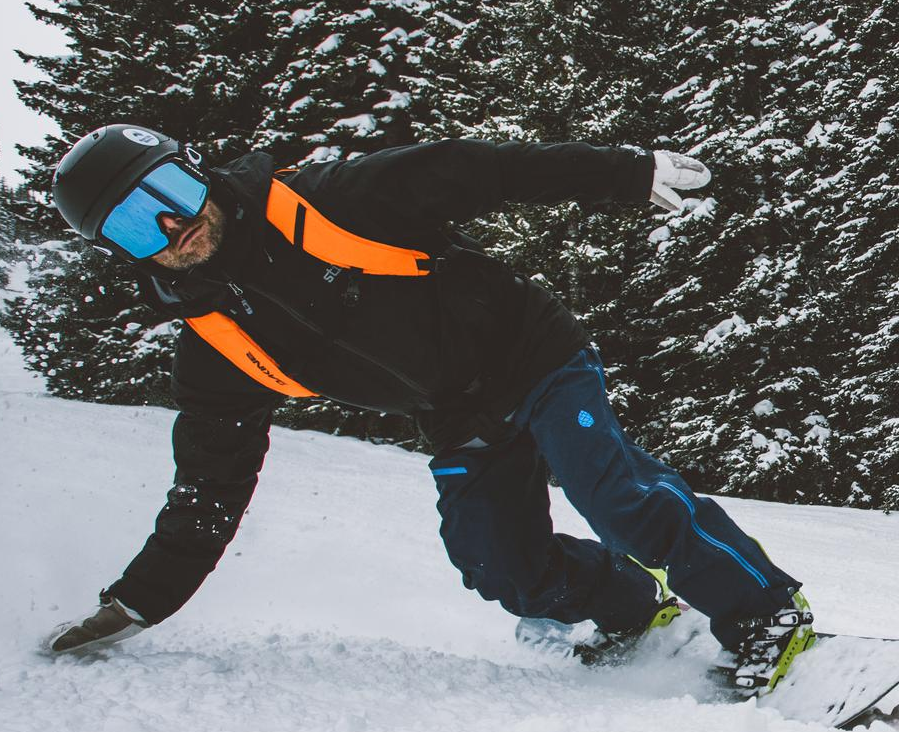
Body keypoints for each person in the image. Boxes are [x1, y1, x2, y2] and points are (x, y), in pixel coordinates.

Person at [40, 123, 815, 693]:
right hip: (456, 412)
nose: (174, 227)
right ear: (121, 252)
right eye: (136, 224)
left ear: (195, 169)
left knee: (612, 493)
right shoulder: (214, 345)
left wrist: (624, 173)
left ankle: (766, 615)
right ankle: (633, 608)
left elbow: (479, 170)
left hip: (532, 354)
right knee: (498, 567)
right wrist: (137, 604)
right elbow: (209, 486)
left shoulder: (322, 202)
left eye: (170, 195)